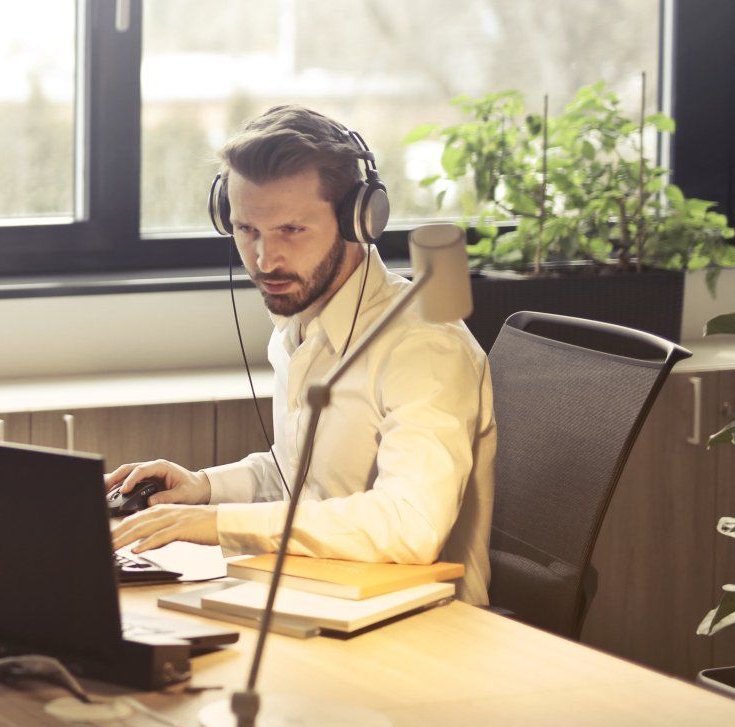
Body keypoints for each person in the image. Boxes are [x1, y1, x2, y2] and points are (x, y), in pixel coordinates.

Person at [108, 105, 495, 604]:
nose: (265, 261)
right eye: (247, 231)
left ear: (359, 220)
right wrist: (204, 488)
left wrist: (219, 523)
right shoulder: (299, 325)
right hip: (318, 595)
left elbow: (410, 525)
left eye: (292, 230)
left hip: (422, 626)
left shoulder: (424, 346)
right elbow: (304, 479)